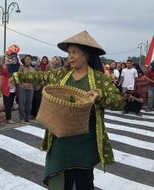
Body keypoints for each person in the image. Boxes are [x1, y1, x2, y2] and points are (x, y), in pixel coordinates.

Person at [11, 31, 124, 189]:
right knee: (62, 182)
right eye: (69, 52)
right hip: (61, 139)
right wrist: (17, 77)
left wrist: (100, 95)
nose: (70, 56)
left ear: (86, 55)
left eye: (75, 52)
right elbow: (41, 77)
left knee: (84, 182)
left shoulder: (99, 79)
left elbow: (119, 101)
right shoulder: (61, 75)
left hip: (85, 141)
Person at [0, 53, 20, 124]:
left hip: (14, 88)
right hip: (7, 88)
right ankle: (8, 119)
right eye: (12, 59)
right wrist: (6, 64)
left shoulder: (18, 67)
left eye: (15, 59)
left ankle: (7, 117)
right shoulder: (7, 67)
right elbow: (2, 73)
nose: (14, 60)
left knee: (11, 104)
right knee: (7, 104)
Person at [18, 55, 36, 124]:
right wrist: (22, 84)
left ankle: (27, 118)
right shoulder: (21, 67)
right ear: (24, 60)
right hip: (22, 88)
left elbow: (35, 78)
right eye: (26, 59)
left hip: (30, 88)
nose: (27, 61)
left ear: (31, 61)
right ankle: (22, 118)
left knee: (29, 104)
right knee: (22, 103)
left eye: (29, 59)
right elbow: (18, 76)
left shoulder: (33, 69)